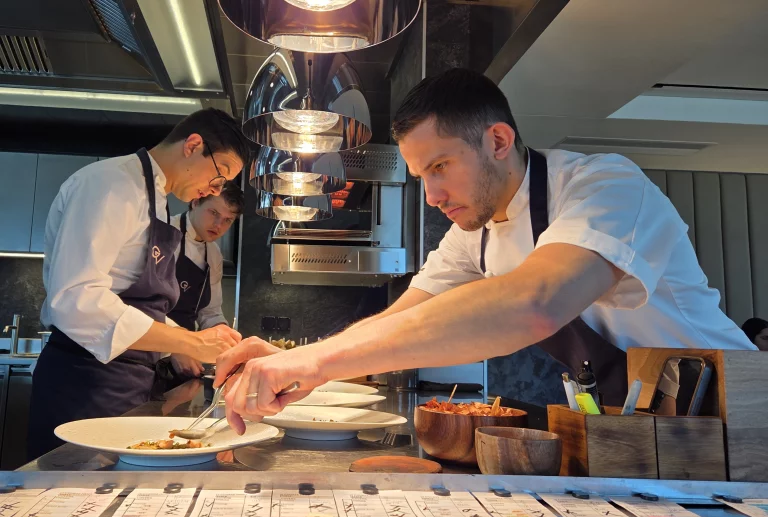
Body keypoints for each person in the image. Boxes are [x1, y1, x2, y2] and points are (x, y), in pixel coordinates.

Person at [216, 68, 756, 433]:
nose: (432, 196)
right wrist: (294, 363)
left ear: (497, 141)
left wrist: (312, 361)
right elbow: (400, 321)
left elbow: (536, 302)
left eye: (440, 167)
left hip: (737, 411)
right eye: (422, 176)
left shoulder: (606, 185)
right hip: (642, 427)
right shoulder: (473, 234)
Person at [29, 108, 250, 458]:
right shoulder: (111, 185)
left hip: (130, 381)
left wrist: (195, 341)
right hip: (85, 381)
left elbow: (139, 304)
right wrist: (190, 341)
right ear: (193, 145)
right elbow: (77, 301)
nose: (214, 188)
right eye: (219, 175)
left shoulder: (157, 201)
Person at [159, 181, 245, 383]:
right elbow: (140, 305)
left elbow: (210, 312)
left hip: (184, 360)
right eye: (213, 213)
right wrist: (174, 346)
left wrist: (228, 340)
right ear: (195, 202)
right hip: (146, 352)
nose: (218, 225)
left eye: (228, 220)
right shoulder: (164, 235)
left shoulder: (213, 254)